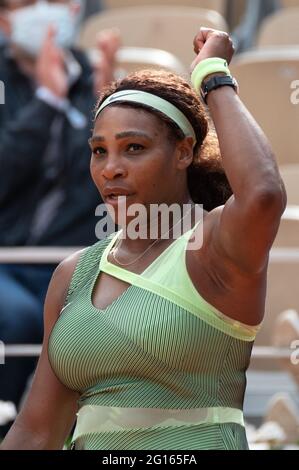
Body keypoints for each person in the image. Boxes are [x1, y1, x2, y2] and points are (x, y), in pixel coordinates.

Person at [0, 27, 287, 450]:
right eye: (100, 151)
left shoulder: (214, 248)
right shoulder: (72, 275)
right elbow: (36, 431)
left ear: (184, 152)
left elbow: (263, 193)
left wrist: (213, 74)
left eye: (134, 147)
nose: (111, 168)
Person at [0, 0, 120, 435]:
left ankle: (82, 432)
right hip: (7, 260)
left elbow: (105, 185)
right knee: (12, 318)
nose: (44, 11)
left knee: (101, 318)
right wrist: (47, 100)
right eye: (27, 3)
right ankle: (13, 425)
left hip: (75, 259)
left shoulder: (95, 79)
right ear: (4, 18)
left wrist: (107, 111)